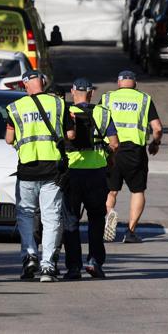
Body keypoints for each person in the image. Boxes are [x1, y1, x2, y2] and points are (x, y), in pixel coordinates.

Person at [6, 70, 75, 282]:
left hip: (27, 169)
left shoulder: (15, 108)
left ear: (25, 85)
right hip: (52, 170)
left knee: (26, 214)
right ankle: (47, 266)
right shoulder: (58, 104)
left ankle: (29, 256)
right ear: (43, 83)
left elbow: (9, 139)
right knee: (51, 217)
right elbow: (71, 135)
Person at [62, 78, 119, 280]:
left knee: (70, 221)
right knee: (96, 220)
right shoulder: (103, 113)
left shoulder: (67, 112)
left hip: (72, 172)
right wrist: (109, 159)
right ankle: (94, 262)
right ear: (92, 93)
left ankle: (73, 267)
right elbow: (114, 143)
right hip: (96, 173)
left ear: (72, 91)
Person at [100, 70, 162, 243]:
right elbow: (157, 128)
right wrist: (155, 143)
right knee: (137, 190)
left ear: (118, 83)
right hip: (135, 151)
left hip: (111, 149)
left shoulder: (107, 98)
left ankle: (109, 214)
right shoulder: (144, 99)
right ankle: (130, 231)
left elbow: (96, 120)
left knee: (111, 190)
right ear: (135, 83)